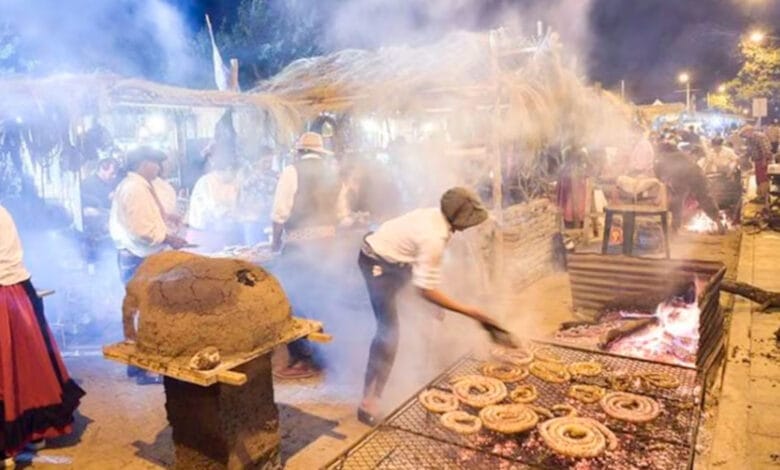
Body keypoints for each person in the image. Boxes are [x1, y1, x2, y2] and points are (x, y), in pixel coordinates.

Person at [356, 187, 515, 424]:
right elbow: (425, 289)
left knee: (433, 311)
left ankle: (420, 367)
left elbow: (421, 278)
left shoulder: (439, 218)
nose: (471, 225)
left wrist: (433, 304)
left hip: (400, 262)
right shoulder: (434, 237)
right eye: (470, 220)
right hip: (376, 262)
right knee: (389, 331)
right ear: (460, 219)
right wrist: (472, 313)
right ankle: (368, 402)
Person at [0, 204, 85, 465]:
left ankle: (11, 443)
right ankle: (31, 432)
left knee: (12, 372)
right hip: (16, 292)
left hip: (6, 295)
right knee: (27, 369)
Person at [109, 146, 188, 385]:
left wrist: (168, 221)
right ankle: (144, 370)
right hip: (137, 258)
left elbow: (148, 221)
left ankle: (140, 366)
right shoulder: (134, 189)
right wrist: (169, 238)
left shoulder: (142, 187)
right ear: (144, 163)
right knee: (145, 313)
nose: (159, 167)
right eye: (156, 163)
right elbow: (142, 230)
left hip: (142, 257)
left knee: (144, 311)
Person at [270, 132, 342, 379]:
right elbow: (341, 214)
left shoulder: (292, 171)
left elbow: (280, 213)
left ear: (299, 152)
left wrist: (275, 242)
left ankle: (303, 358)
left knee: (294, 299)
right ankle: (327, 356)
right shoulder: (332, 172)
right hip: (328, 245)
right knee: (324, 297)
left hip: (300, 246)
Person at [655, 142, 722, 232]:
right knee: (705, 199)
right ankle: (719, 223)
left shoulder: (664, 159)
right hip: (698, 176)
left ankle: (675, 227)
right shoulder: (684, 155)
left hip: (681, 180)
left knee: (677, 202)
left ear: (663, 152)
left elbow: (660, 176)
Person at [186, 153, 242, 251]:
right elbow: (213, 208)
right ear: (228, 169)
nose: (235, 177)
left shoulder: (233, 184)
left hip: (223, 234)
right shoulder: (206, 182)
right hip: (202, 235)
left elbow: (236, 204)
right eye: (235, 173)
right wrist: (233, 214)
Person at [741, 126, 773, 204]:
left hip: (763, 159)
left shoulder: (759, 136)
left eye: (745, 133)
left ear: (749, 131)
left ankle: (764, 197)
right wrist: (741, 157)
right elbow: (749, 150)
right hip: (757, 160)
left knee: (763, 179)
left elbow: (766, 149)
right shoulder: (749, 139)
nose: (745, 136)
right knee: (758, 178)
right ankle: (760, 195)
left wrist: (765, 161)